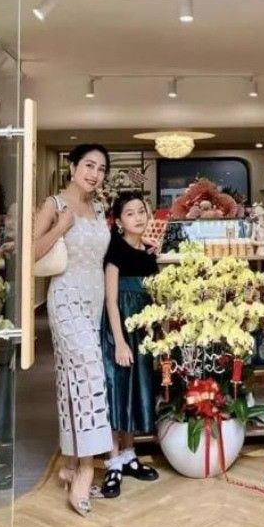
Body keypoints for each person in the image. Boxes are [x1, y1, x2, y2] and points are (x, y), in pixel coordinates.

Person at [34, 143, 112, 517]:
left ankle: (69, 463)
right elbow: (31, 252)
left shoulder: (98, 209)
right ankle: (85, 470)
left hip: (94, 301)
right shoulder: (54, 205)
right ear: (73, 167)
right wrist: (61, 228)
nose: (95, 174)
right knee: (91, 374)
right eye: (89, 165)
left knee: (74, 381)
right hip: (65, 300)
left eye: (101, 168)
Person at [100, 191, 161, 498]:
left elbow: (150, 294)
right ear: (119, 221)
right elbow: (110, 300)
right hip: (119, 329)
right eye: (130, 213)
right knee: (117, 390)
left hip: (140, 329)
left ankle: (129, 455)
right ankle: (112, 463)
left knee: (135, 389)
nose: (137, 217)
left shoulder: (148, 253)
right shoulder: (114, 249)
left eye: (141, 211)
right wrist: (119, 342)